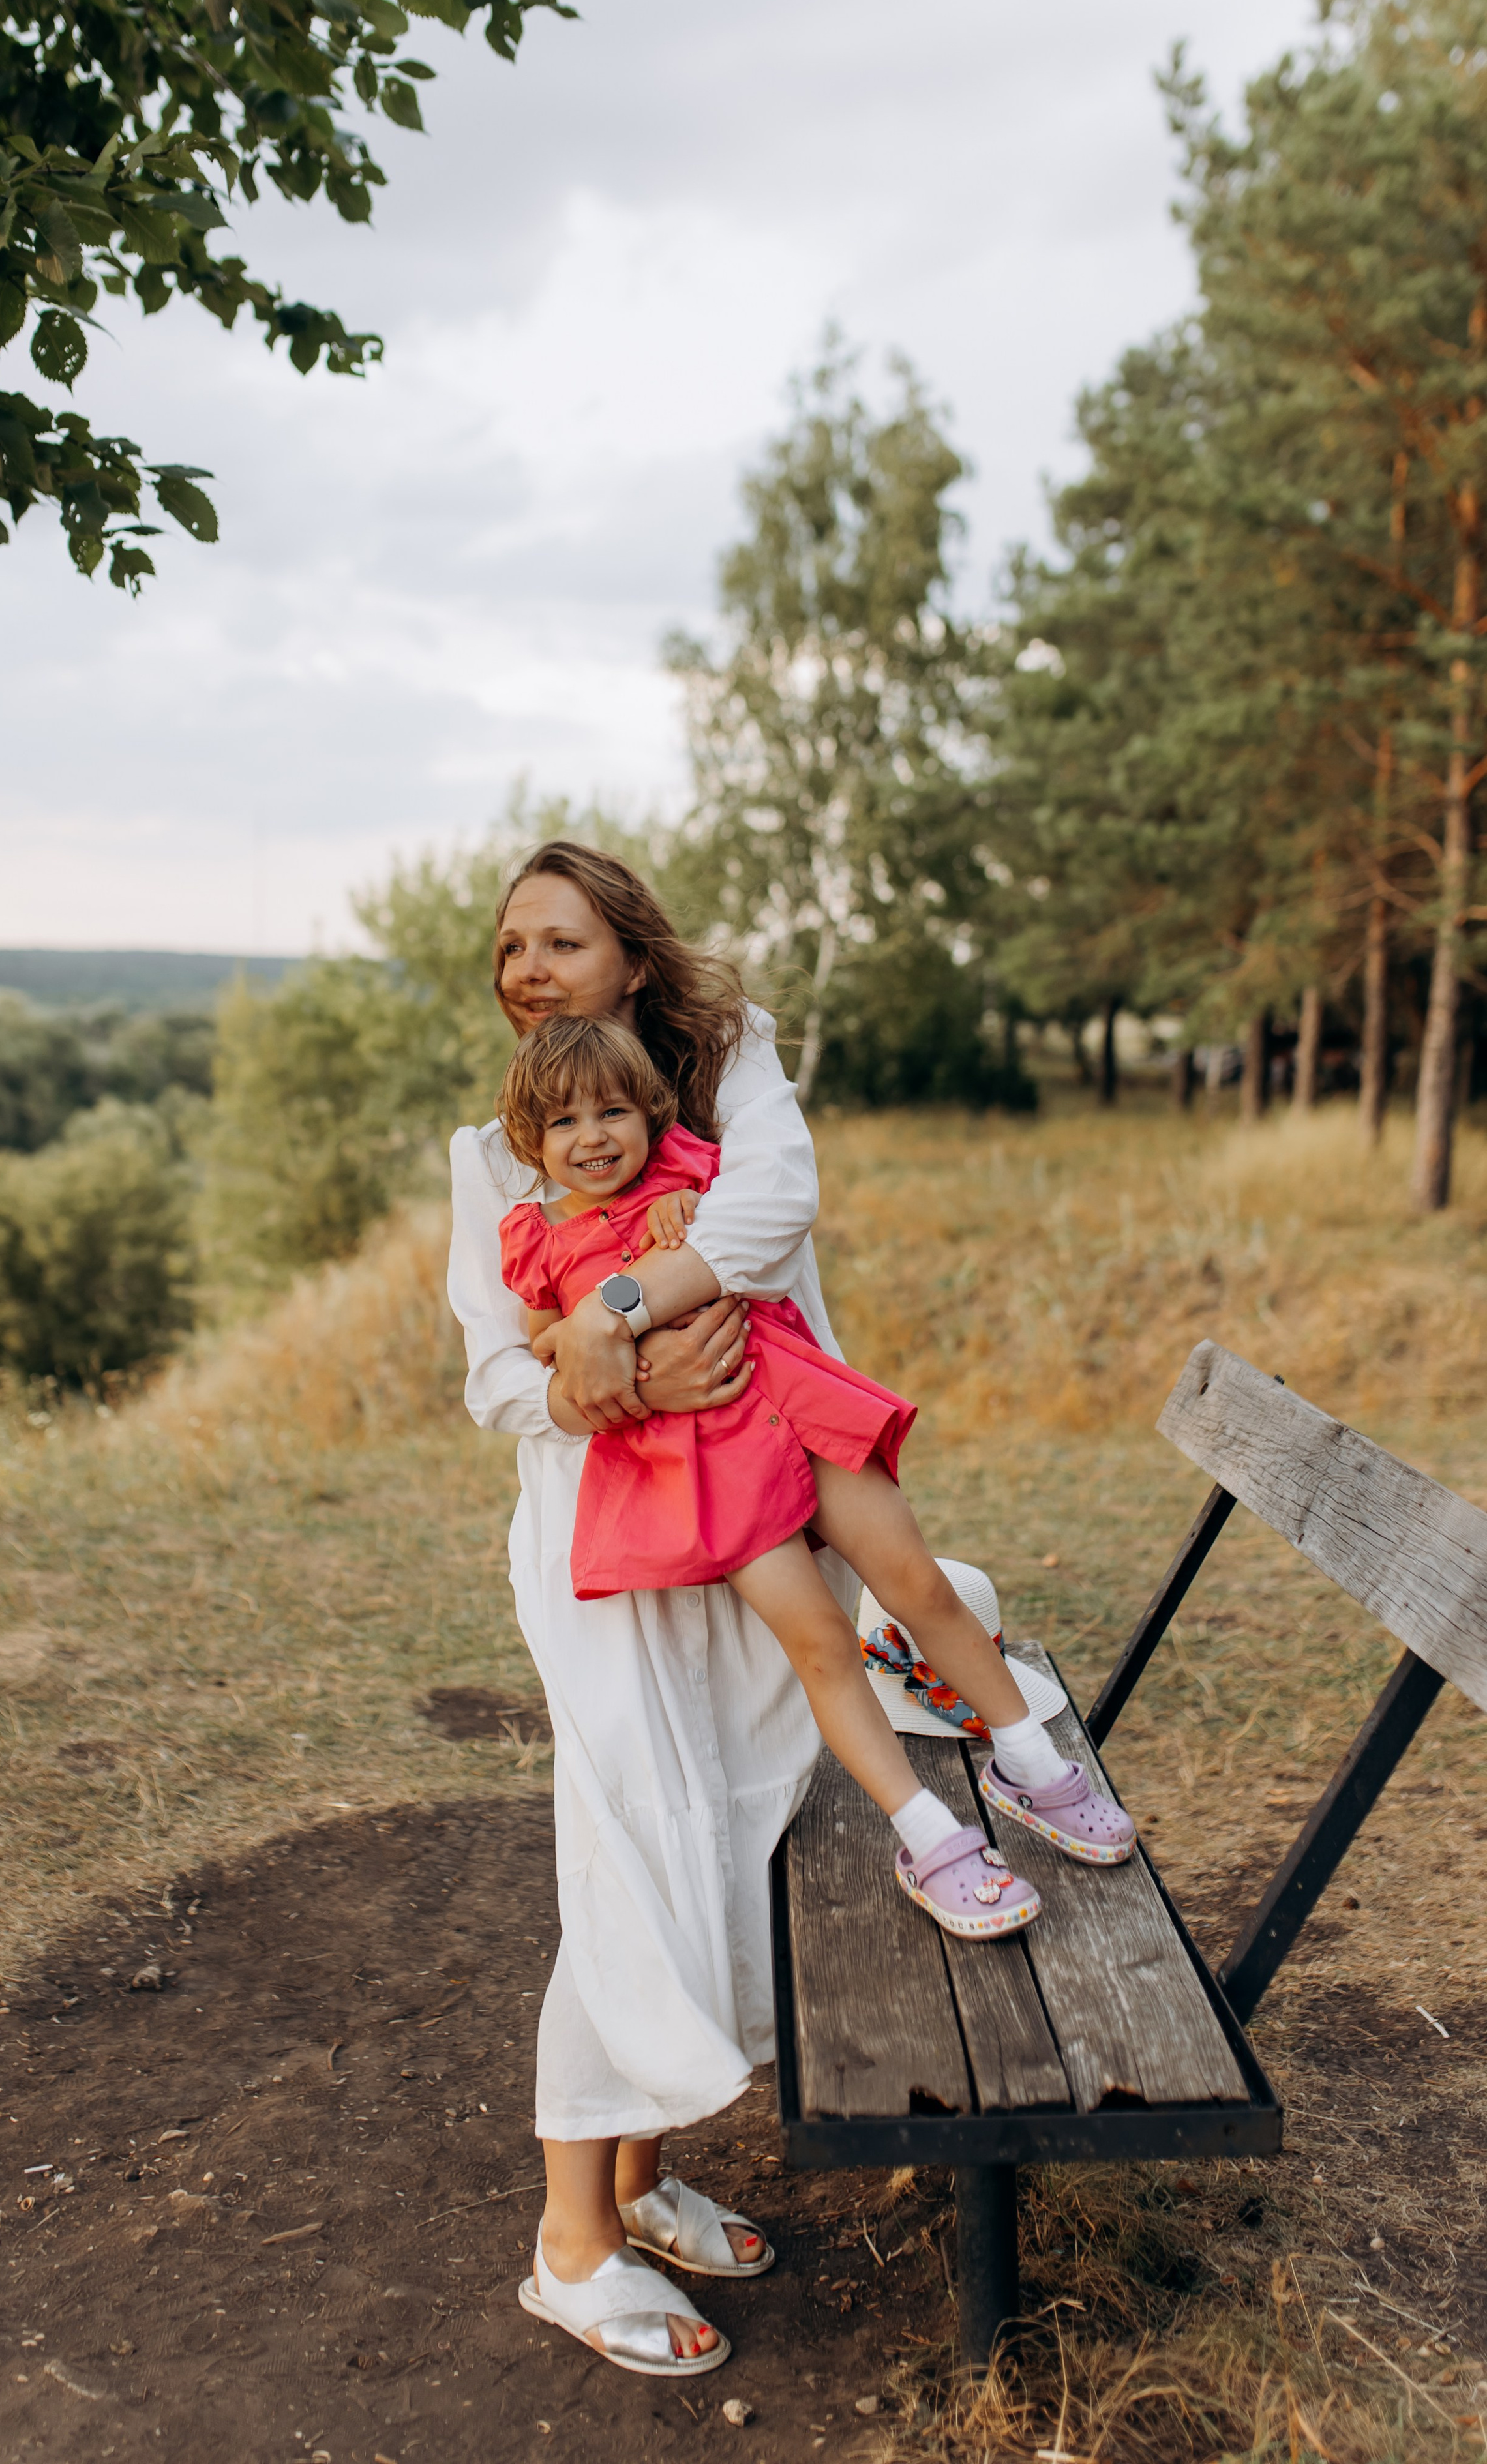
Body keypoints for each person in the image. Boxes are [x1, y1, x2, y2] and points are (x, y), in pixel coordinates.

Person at [443, 842, 1109, 2382]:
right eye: (507, 946)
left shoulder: (724, 1081)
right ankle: (571, 2244)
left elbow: (763, 1221)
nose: (526, 967)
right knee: (626, 1849)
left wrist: (616, 1317)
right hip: (603, 1540)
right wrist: (604, 1383)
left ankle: (635, 2171)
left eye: (558, 939)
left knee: (724, 1832)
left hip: (751, 1501)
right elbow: (498, 1376)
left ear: (630, 953)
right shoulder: (496, 1156)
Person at [493, 1009, 1135, 1947]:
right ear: (531, 1140)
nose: (592, 1137)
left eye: (612, 1111)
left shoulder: (692, 1174)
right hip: (700, 1460)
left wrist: (685, 1224)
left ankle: (1028, 1757)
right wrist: (599, 1319)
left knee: (918, 1581)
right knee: (824, 1643)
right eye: (563, 1123)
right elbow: (544, 1343)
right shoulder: (541, 1241)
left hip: (786, 1394)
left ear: (652, 1115)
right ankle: (929, 1835)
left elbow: (762, 1229)